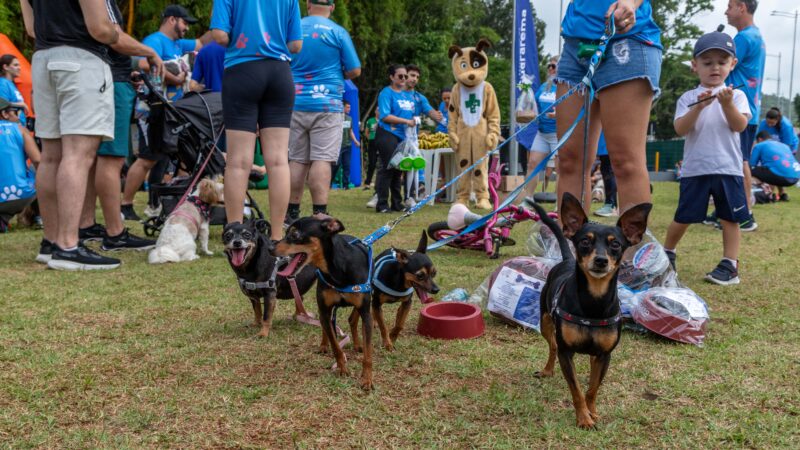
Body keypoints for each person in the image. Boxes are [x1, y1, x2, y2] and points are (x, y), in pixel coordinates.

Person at [21, 0, 124, 270]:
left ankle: (51, 242)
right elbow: (100, 28)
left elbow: (31, 29)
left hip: (44, 59)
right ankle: (68, 245)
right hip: (81, 59)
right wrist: (116, 33)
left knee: (52, 156)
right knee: (78, 155)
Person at [556, 0, 662, 217]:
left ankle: (635, 249)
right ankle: (567, 247)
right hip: (575, 44)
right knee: (569, 160)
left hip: (627, 39)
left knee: (625, 162)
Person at [663, 30, 751, 286]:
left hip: (728, 168)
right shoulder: (689, 98)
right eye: (707, 62)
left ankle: (730, 264)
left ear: (732, 65)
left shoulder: (737, 96)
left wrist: (726, 105)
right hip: (695, 169)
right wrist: (700, 107)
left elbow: (739, 126)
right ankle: (667, 253)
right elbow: (681, 128)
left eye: (722, 62)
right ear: (695, 66)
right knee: (684, 216)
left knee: (730, 218)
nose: (715, 68)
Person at [212, 0, 302, 240]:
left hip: (242, 70)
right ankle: (276, 236)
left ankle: (235, 232)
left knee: (238, 161)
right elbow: (296, 44)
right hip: (280, 73)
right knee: (278, 161)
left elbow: (220, 36)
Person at [78, 0, 161, 252]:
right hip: (112, 83)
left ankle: (86, 224)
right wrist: (148, 52)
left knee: (93, 158)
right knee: (111, 158)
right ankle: (115, 232)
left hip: (101, 78)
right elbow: (113, 36)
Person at [121, 5, 213, 220]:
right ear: (172, 20)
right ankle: (125, 205)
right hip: (151, 110)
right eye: (184, 23)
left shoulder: (178, 43)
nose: (187, 29)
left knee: (169, 158)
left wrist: (220, 24)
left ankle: (161, 204)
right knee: (147, 158)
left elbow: (201, 42)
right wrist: (175, 79)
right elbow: (144, 63)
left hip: (172, 112)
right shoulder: (155, 40)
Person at [285, 0, 360, 224]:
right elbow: (355, 69)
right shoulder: (338, 32)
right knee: (322, 159)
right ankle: (319, 213)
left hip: (295, 102)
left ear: (307, 4)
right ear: (332, 7)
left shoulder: (293, 27)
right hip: (327, 104)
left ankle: (291, 213)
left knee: (297, 160)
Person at [725, 0, 765, 231]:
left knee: (739, 161)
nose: (726, 11)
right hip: (748, 108)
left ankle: (746, 215)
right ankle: (728, 209)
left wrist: (701, 64)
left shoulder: (742, 38)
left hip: (739, 109)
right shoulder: (756, 36)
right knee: (735, 160)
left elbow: (722, 63)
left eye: (730, 6)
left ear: (742, 7)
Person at [374, 64, 415, 213]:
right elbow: (384, 116)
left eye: (406, 76)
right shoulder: (386, 92)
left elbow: (410, 114)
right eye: (400, 76)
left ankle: (397, 203)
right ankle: (382, 204)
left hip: (402, 136)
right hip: (387, 134)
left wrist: (414, 121)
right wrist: (406, 122)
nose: (404, 78)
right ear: (391, 77)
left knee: (399, 169)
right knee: (388, 169)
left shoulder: (406, 95)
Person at [404, 64, 443, 205]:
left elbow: (430, 111)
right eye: (412, 75)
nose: (415, 79)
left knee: (414, 164)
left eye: (417, 77)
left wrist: (437, 116)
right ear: (404, 75)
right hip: (394, 134)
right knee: (389, 168)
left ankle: (412, 195)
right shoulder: (394, 93)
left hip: (411, 138)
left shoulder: (419, 98)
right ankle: (379, 195)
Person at [0, 98, 39, 232]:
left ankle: (3, 219)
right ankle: (38, 216)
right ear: (4, 114)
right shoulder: (20, 130)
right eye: (15, 113)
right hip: (23, 195)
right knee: (41, 168)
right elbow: (38, 161)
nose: (18, 117)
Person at [525, 57, 559, 197]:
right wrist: (529, 112)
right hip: (542, 133)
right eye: (549, 66)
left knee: (560, 169)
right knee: (532, 164)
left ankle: (560, 203)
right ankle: (528, 200)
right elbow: (535, 107)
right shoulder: (544, 86)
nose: (550, 69)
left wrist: (559, 114)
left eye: (553, 66)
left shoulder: (564, 85)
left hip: (558, 133)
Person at [750, 131, 800, 201]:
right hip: (796, 176)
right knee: (776, 168)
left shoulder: (759, 145)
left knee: (750, 170)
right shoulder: (784, 145)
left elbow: (752, 164)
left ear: (760, 139)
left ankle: (767, 194)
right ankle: (782, 194)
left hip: (779, 175)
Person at [332, 100, 359, 190]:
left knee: (347, 165)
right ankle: (329, 183)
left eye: (350, 107)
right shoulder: (336, 118)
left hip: (348, 145)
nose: (349, 109)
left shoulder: (349, 118)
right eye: (347, 107)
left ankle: (345, 185)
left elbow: (350, 131)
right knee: (336, 165)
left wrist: (355, 141)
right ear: (342, 107)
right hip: (338, 145)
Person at [0, 55, 29, 128]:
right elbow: (2, 105)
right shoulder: (3, 83)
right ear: (6, 67)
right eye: (15, 65)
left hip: (18, 126)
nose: (19, 68)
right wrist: (21, 104)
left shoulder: (11, 84)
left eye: (19, 65)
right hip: (11, 128)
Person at [594, 132, 618, 217]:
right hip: (605, 141)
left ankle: (611, 205)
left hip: (607, 140)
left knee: (608, 170)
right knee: (607, 170)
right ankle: (611, 204)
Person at [363, 108, 379, 190]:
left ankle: (379, 183)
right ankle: (367, 183)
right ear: (375, 111)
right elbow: (366, 132)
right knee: (372, 163)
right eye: (377, 110)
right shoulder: (370, 120)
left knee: (381, 164)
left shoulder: (384, 120)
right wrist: (370, 138)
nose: (379, 111)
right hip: (372, 143)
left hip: (382, 143)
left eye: (380, 110)